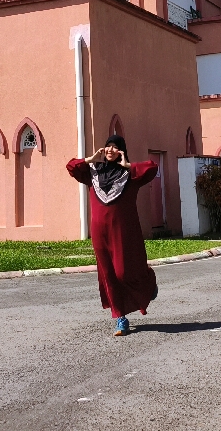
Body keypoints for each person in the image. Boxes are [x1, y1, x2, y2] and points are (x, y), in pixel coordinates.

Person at [66, 135, 158, 336]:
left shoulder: (130, 175)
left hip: (124, 231)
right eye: (108, 147)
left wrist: (127, 164)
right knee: (108, 275)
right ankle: (120, 319)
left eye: (115, 148)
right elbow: (71, 166)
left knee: (123, 272)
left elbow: (151, 167)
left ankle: (149, 283)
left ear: (121, 151)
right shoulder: (92, 173)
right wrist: (90, 159)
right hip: (100, 233)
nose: (110, 150)